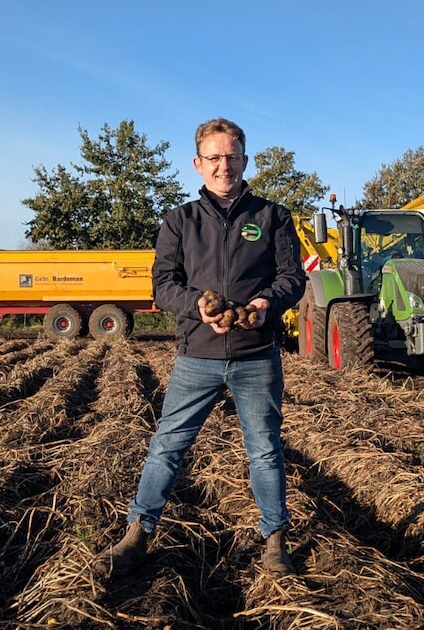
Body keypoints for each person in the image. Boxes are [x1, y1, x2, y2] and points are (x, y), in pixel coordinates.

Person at [95, 117, 306, 578]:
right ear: (198, 164)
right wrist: (198, 306)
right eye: (214, 158)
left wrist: (266, 302)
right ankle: (136, 535)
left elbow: (294, 278)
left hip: (257, 355)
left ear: (245, 160)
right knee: (168, 445)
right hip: (198, 357)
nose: (223, 166)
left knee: (265, 449)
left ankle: (275, 540)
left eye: (231, 157)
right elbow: (163, 286)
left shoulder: (272, 217)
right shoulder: (180, 221)